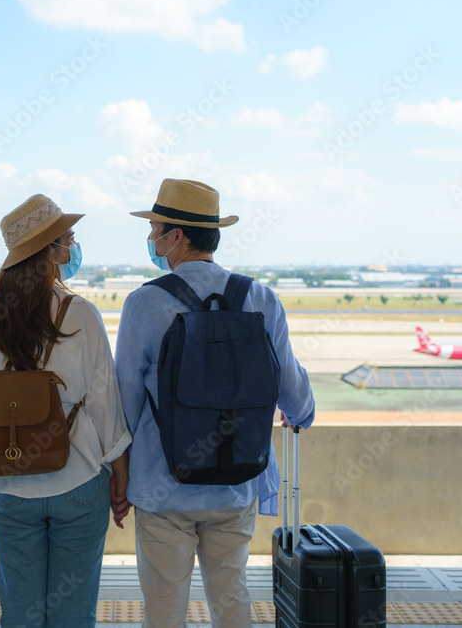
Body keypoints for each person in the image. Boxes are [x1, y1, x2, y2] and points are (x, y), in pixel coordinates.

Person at [112, 178, 315, 628]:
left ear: (177, 236)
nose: (151, 239)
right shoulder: (260, 298)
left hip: (163, 484)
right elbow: (293, 390)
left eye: (155, 229)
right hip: (237, 479)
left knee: (164, 605)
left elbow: (123, 397)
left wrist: (119, 472)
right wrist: (302, 414)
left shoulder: (145, 303)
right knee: (231, 597)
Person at [0, 193, 132, 628]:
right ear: (49, 253)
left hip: (9, 486)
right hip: (80, 482)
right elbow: (106, 408)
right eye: (68, 240)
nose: (73, 249)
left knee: (21, 616)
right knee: (73, 613)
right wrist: (121, 472)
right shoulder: (81, 314)